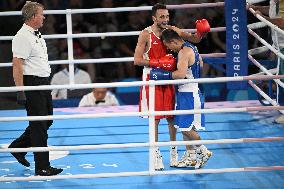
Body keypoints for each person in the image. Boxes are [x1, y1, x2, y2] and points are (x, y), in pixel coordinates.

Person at [134, 3, 210, 170]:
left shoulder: (173, 30)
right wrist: (158, 63)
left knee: (171, 117)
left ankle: (174, 154)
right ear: (154, 18)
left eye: (167, 16)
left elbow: (194, 40)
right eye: (162, 17)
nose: (165, 20)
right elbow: (137, 60)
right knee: (154, 117)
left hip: (172, 77)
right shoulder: (145, 34)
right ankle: (156, 155)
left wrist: (201, 32)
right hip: (154, 75)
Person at [9, 1, 63, 176]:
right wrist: (20, 90)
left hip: (43, 83)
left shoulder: (36, 35)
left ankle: (18, 147)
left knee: (46, 121)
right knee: (39, 125)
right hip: (32, 84)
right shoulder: (22, 36)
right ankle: (42, 166)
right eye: (42, 14)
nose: (44, 17)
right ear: (33, 17)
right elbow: (17, 64)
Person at [150, 29, 212, 169]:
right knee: (185, 126)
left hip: (188, 94)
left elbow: (180, 74)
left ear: (172, 41)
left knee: (185, 129)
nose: (169, 49)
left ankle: (203, 151)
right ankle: (190, 157)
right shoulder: (192, 47)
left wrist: (161, 75)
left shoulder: (184, 52)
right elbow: (200, 64)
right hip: (190, 91)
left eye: (168, 46)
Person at [249, 0, 284, 123]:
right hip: (279, 45)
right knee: (281, 78)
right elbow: (273, 9)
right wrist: (257, 8)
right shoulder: (276, 1)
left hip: (283, 45)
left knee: (282, 79)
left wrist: (263, 17)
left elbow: (282, 22)